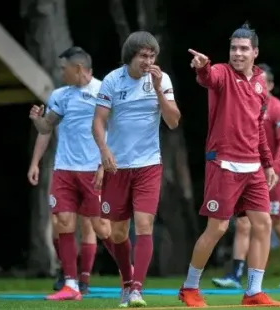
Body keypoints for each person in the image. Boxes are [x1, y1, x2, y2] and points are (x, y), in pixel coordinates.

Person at [179, 23, 280, 307]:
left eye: (243, 49)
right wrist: (202, 66)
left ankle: (253, 292)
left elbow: (258, 127)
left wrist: (269, 164)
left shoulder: (261, 82)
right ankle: (189, 288)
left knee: (263, 225)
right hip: (223, 164)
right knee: (218, 228)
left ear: (254, 52)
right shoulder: (221, 73)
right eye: (233, 48)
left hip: (253, 168)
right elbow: (207, 77)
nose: (237, 53)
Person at [92, 31, 181, 308]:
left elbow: (173, 121)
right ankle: (127, 281)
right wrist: (104, 152)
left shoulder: (161, 80)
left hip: (149, 165)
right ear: (130, 56)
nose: (148, 61)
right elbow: (98, 122)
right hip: (118, 167)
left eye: (152, 55)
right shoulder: (111, 80)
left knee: (145, 226)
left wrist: (156, 89)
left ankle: (136, 290)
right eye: (143, 55)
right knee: (117, 234)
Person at [28, 46, 115, 301]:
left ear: (78, 69)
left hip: (93, 170)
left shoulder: (103, 91)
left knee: (100, 227)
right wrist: (35, 158)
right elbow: (46, 127)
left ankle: (129, 274)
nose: (60, 72)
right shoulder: (60, 95)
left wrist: (103, 165)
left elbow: (116, 131)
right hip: (64, 169)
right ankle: (71, 284)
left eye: (63, 68)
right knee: (63, 222)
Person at [211, 63, 280, 290]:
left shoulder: (278, 109)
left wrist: (275, 169)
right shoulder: (246, 105)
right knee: (242, 223)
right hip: (250, 173)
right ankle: (235, 275)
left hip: (274, 175)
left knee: (278, 225)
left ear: (270, 84)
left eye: (262, 81)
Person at [27, 134, 97, 293]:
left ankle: (84, 279)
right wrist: (35, 162)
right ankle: (67, 272)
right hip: (64, 168)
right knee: (58, 222)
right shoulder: (58, 109)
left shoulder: (97, 108)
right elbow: (45, 128)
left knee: (89, 224)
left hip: (90, 167)